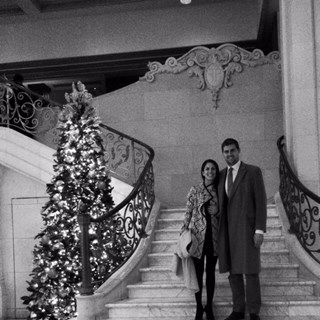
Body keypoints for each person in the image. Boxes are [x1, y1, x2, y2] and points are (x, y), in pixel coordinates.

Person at [217, 138, 267, 320]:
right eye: (226, 152)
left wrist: (259, 230)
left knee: (251, 271)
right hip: (228, 231)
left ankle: (253, 312)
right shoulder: (221, 175)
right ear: (222, 154)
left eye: (232, 151)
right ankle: (238, 310)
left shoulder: (252, 172)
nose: (229, 154)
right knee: (234, 271)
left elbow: (261, 201)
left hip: (247, 229)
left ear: (239, 151)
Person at [181, 159, 220, 320]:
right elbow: (188, 211)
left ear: (216, 172)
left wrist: (217, 210)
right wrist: (183, 229)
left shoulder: (220, 190)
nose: (210, 171)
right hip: (197, 236)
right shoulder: (195, 190)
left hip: (214, 236)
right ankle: (198, 307)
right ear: (203, 172)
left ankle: (209, 307)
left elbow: (225, 211)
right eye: (207, 169)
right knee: (197, 274)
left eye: (213, 169)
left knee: (210, 273)